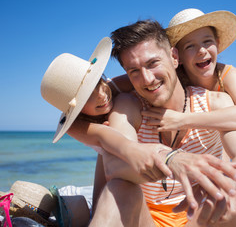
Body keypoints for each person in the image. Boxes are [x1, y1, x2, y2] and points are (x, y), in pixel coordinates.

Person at [89, 20, 236, 226]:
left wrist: (221, 180)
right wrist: (170, 160)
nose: (147, 79)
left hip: (199, 217)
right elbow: (114, 166)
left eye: (152, 64)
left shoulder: (215, 103)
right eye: (134, 72)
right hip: (147, 219)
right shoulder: (129, 107)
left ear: (174, 57)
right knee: (118, 190)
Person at [40, 37, 174, 218]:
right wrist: (139, 151)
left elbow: (157, 75)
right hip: (110, 163)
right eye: (88, 96)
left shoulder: (117, 86)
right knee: (102, 206)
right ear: (76, 110)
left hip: (122, 162)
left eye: (98, 84)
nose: (102, 96)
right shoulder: (76, 126)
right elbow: (104, 136)